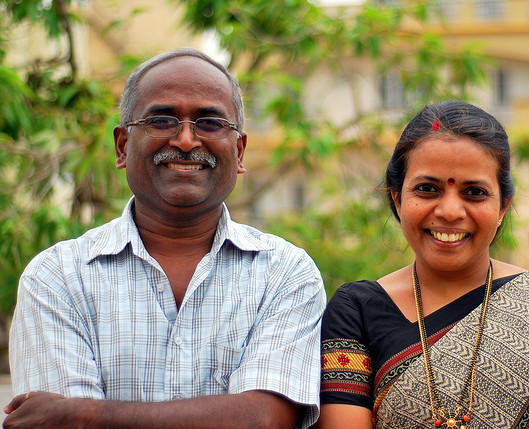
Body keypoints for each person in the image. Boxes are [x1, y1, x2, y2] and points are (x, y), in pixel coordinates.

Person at [4, 48, 326, 429]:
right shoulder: (56, 277)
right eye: (161, 120)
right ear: (122, 147)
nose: (186, 141)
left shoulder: (286, 274)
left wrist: (84, 414)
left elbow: (263, 420)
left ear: (239, 152)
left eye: (210, 123)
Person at [315, 101, 529, 428]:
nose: (450, 211)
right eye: (427, 189)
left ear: (503, 207)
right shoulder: (356, 312)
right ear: (397, 198)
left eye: (474, 192)